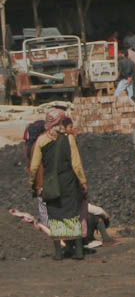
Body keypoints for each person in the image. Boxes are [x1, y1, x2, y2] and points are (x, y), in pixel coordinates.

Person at [28, 108, 88, 260]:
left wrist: (32, 183)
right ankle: (79, 252)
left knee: (55, 216)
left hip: (50, 183)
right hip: (68, 182)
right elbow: (76, 164)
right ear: (60, 121)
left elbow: (34, 166)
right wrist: (83, 181)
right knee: (73, 214)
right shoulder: (69, 139)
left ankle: (58, 254)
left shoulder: (41, 141)